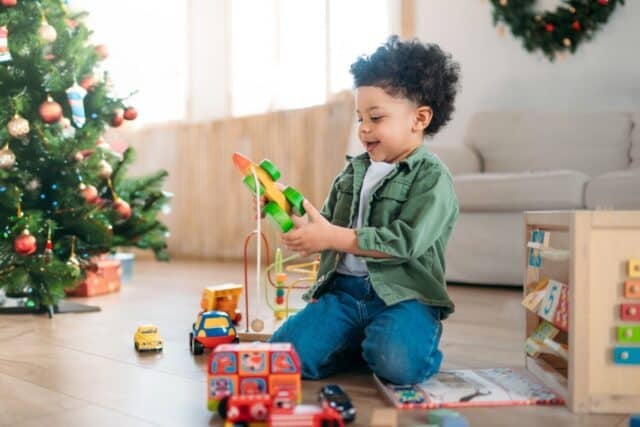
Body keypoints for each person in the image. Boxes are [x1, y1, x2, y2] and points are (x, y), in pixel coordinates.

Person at [269, 35, 461, 385]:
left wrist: (332, 236)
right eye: (360, 118)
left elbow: (405, 242)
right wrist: (286, 207)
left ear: (419, 119)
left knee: (399, 365)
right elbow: (326, 227)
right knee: (281, 354)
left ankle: (385, 340)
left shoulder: (432, 178)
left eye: (375, 117)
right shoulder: (353, 171)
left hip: (403, 297)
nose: (364, 129)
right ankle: (356, 340)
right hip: (342, 293)